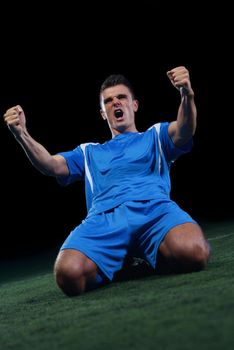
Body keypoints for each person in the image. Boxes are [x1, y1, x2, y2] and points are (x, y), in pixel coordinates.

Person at [3, 66, 210, 296]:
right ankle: (121, 263)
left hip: (154, 212)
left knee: (194, 252)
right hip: (104, 222)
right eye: (108, 101)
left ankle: (146, 259)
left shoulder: (156, 136)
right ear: (103, 113)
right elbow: (50, 165)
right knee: (68, 275)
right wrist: (21, 134)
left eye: (122, 97)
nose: (116, 103)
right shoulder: (88, 152)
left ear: (134, 105)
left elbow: (184, 129)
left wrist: (186, 94)